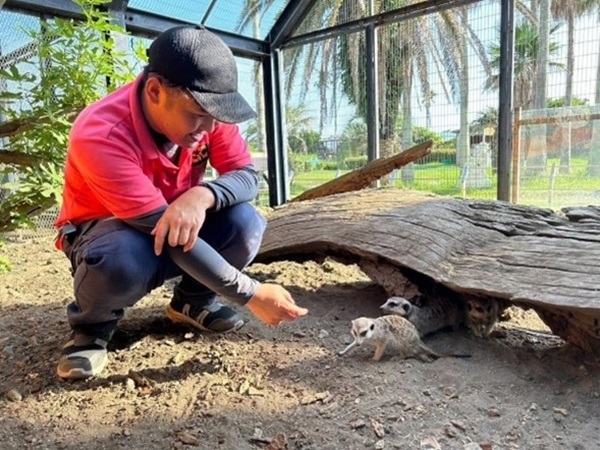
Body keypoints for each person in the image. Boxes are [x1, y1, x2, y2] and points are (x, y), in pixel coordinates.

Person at [53, 25, 308, 380]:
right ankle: (91, 330)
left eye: (214, 115)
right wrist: (249, 293)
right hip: (107, 234)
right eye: (197, 113)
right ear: (155, 90)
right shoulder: (101, 132)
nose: (207, 126)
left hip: (171, 220)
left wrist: (203, 195)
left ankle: (192, 301)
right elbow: (163, 230)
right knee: (120, 257)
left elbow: (247, 176)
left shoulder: (209, 114)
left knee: (245, 222)